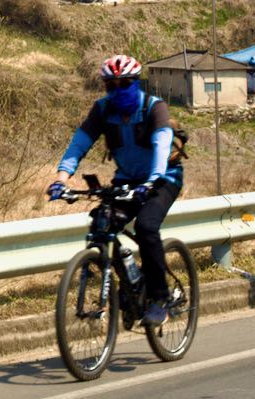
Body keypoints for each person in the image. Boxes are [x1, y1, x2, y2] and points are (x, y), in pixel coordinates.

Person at [48, 54, 183, 324]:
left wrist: (150, 182)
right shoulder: (102, 110)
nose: (118, 90)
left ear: (136, 83)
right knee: (103, 222)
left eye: (125, 83)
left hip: (162, 179)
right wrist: (61, 179)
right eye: (112, 85)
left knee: (146, 227)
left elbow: (161, 146)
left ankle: (160, 297)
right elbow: (79, 144)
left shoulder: (154, 108)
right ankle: (130, 284)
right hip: (127, 180)